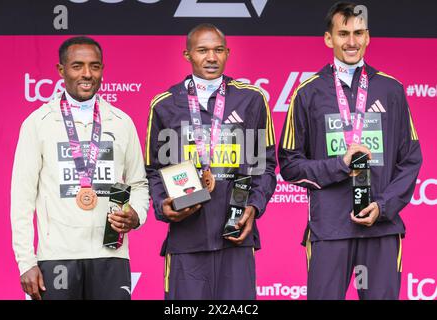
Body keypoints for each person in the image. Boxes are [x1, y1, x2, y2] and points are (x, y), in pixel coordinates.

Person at [278, 2, 422, 300]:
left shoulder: (390, 90)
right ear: (329, 39)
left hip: (381, 230)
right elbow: (290, 164)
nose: (352, 42)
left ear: (368, 36)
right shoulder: (307, 92)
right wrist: (339, 165)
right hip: (329, 230)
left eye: (358, 33)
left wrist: (383, 207)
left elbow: (410, 159)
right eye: (343, 33)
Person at [11, 36, 149, 300]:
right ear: (61, 71)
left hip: (111, 255)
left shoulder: (121, 122)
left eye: (94, 66)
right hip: (57, 256)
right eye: (77, 66)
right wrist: (26, 262)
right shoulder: (38, 122)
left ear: (102, 70)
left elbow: (138, 184)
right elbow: (22, 198)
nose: (87, 74)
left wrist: (137, 215)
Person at [145, 23, 277, 300]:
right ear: (187, 55)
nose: (211, 57)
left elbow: (263, 166)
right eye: (202, 50)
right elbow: (154, 171)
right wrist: (163, 206)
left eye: (218, 50)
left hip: (235, 234)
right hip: (186, 239)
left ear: (227, 53)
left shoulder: (250, 100)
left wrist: (254, 207)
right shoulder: (165, 105)